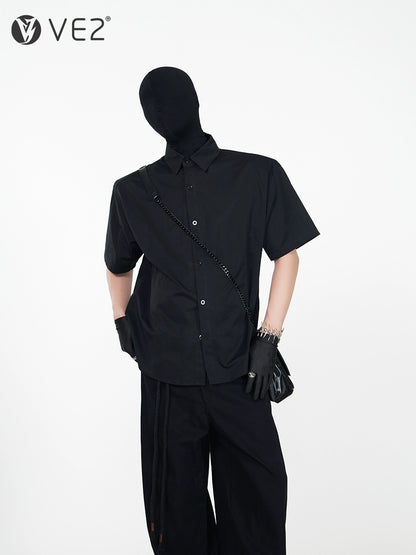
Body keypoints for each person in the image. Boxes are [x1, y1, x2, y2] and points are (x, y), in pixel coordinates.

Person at [104, 66, 320, 555]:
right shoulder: (132, 190)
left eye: (171, 98)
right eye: (151, 105)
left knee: (258, 506)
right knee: (174, 516)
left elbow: (287, 254)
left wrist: (268, 339)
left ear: (196, 101)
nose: (162, 111)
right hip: (166, 376)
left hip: (240, 371)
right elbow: (118, 265)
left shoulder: (258, 174)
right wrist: (121, 320)